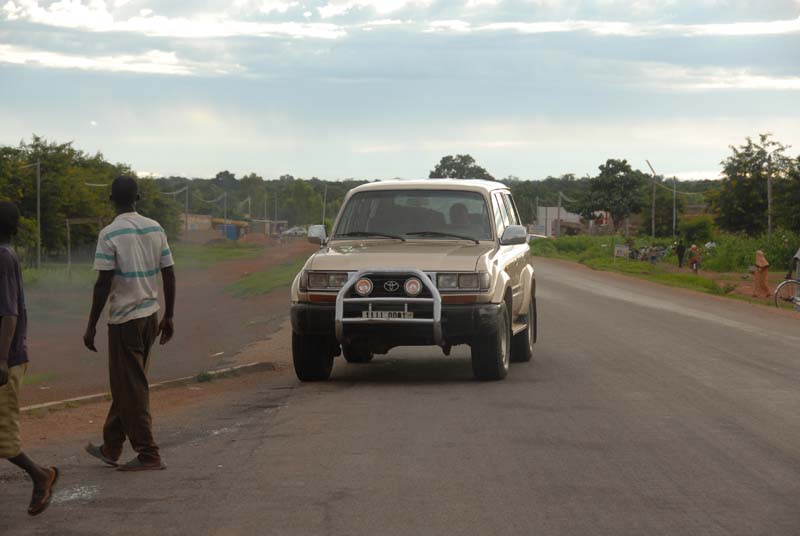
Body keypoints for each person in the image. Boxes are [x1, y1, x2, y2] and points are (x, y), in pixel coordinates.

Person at [83, 176, 176, 471]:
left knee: (131, 386)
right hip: (150, 316)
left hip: (125, 320)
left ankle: (149, 454)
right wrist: (169, 315)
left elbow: (102, 283)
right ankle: (111, 446)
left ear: (111, 198)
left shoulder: (109, 234)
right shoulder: (155, 228)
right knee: (129, 383)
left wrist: (91, 325)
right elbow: (169, 273)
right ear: (138, 197)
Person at [0, 201, 59, 515]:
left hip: (6, 361)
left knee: (4, 436)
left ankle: (40, 476)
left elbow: (8, 314)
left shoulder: (2, 257)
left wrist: (2, 360)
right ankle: (40, 475)